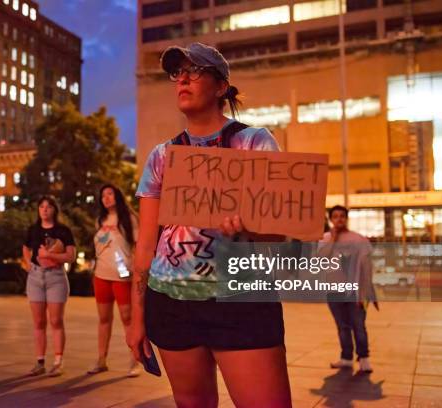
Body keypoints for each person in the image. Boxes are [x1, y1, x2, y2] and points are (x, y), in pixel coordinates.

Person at [127, 42, 292, 408]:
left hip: (241, 300)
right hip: (170, 302)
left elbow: (279, 232)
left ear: (220, 87)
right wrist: (137, 318)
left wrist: (249, 227)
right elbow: (145, 244)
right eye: (177, 73)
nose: (182, 78)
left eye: (195, 70)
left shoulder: (253, 142)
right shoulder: (161, 156)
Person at [88, 184, 141, 377]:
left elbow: (138, 247)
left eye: (110, 194)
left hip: (122, 275)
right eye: (103, 195)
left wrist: (137, 272)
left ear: (117, 196)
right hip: (101, 275)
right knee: (103, 319)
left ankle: (135, 360)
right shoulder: (100, 220)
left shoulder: (130, 218)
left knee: (127, 318)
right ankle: (101, 359)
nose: (106, 198)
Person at [22, 196, 76, 377]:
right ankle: (39, 362)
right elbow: (25, 247)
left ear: (54, 210)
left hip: (56, 278)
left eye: (48, 206)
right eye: (41, 206)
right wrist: (27, 263)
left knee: (56, 321)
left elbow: (70, 256)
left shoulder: (63, 230)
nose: (44, 209)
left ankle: (58, 362)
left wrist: (50, 256)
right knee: (38, 322)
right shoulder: (33, 230)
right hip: (35, 277)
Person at [318, 205, 375, 373]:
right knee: (342, 326)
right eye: (335, 216)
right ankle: (346, 358)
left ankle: (364, 358)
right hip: (334, 291)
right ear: (331, 219)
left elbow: (367, 267)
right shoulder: (325, 238)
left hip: (354, 291)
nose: (339, 219)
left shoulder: (358, 239)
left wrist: (364, 291)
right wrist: (333, 239)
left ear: (346, 218)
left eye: (342, 216)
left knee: (358, 325)